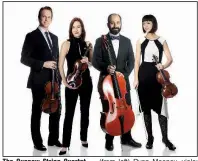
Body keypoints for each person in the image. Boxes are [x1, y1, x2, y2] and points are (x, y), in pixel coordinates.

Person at [92, 13, 142, 151]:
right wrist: (106, 68)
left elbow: (132, 62)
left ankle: (127, 138)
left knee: (127, 110)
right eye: (112, 23)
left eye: (118, 22)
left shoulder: (127, 41)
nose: (115, 25)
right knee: (109, 110)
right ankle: (109, 139)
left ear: (121, 23)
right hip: (107, 84)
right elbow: (95, 61)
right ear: (108, 24)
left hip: (122, 84)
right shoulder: (100, 40)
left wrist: (123, 74)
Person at [20, 6, 61, 151]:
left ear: (52, 19)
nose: (46, 19)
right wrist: (43, 64)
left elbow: (56, 59)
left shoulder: (55, 38)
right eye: (44, 16)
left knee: (56, 110)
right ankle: (37, 142)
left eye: (49, 17)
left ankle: (53, 139)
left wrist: (59, 79)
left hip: (54, 81)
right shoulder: (31, 36)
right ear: (39, 18)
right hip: (38, 81)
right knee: (37, 111)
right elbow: (24, 59)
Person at [133, 14, 176, 150]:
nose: (146, 25)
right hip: (144, 76)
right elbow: (137, 61)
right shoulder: (140, 40)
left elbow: (170, 59)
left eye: (148, 23)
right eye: (144, 23)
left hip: (158, 78)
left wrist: (163, 66)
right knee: (145, 109)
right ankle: (150, 138)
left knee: (161, 110)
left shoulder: (162, 40)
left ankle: (165, 138)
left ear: (154, 24)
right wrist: (135, 79)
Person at [59, 17, 93, 155]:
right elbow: (60, 64)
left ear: (82, 29)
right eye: (74, 27)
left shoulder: (88, 44)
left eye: (78, 27)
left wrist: (88, 61)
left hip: (86, 83)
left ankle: (83, 138)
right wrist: (63, 81)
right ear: (70, 29)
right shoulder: (66, 44)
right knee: (69, 114)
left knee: (85, 112)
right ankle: (65, 144)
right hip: (71, 82)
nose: (76, 29)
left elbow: (92, 64)